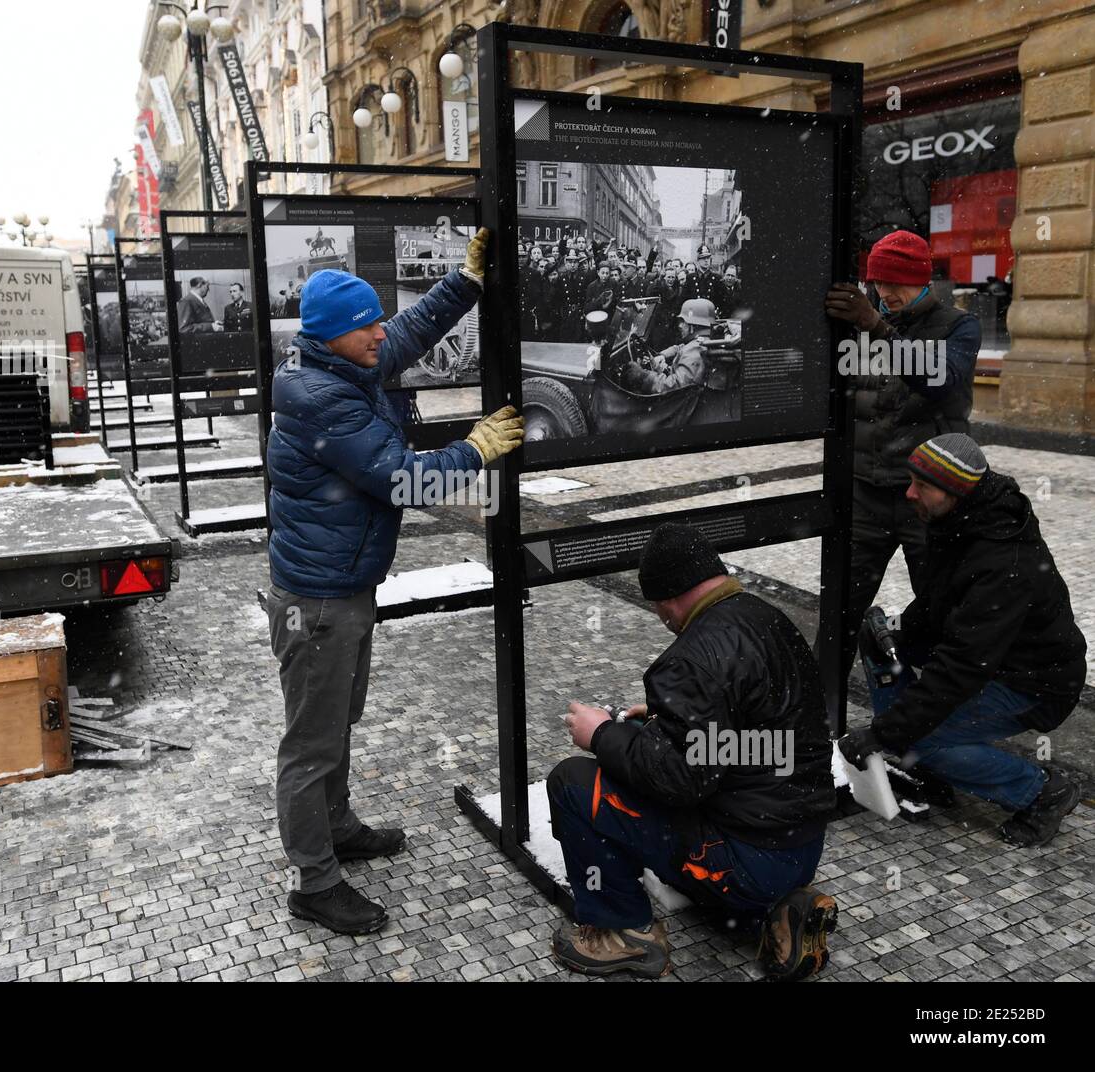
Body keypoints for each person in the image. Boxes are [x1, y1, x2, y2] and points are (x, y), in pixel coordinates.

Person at [265, 228, 525, 936]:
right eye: (365, 325)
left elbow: (405, 331)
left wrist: (465, 284)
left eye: (375, 319)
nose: (381, 332)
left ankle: (338, 825)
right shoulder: (327, 401)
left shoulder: (342, 366)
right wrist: (476, 447)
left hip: (338, 590)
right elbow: (404, 477)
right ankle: (315, 883)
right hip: (317, 605)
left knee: (333, 727)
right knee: (310, 743)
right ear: (333, 338)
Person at [549, 523, 837, 981]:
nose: (663, 618)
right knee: (654, 766)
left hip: (740, 862)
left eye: (657, 607)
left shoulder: (692, 657)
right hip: (798, 848)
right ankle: (780, 908)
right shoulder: (769, 619)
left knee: (572, 782)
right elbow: (765, 740)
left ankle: (626, 932)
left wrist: (601, 734)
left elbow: (681, 781)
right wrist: (670, 722)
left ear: (667, 597)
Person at [839, 435, 1087, 847]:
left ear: (956, 492)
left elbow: (962, 667)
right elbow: (941, 599)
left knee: (919, 739)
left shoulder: (1003, 563)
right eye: (911, 479)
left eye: (923, 486)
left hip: (1032, 682)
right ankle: (916, 759)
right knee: (878, 639)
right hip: (989, 658)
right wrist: (897, 632)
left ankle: (1042, 791)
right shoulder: (960, 519)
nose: (909, 493)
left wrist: (885, 733)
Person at [824, 229, 980, 675]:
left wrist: (877, 326)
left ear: (923, 281)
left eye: (898, 284)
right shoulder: (857, 327)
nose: (885, 293)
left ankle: (933, 712)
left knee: (943, 611)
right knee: (839, 609)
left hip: (930, 501)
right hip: (865, 494)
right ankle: (816, 711)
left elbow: (941, 378)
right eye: (878, 282)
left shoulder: (958, 325)